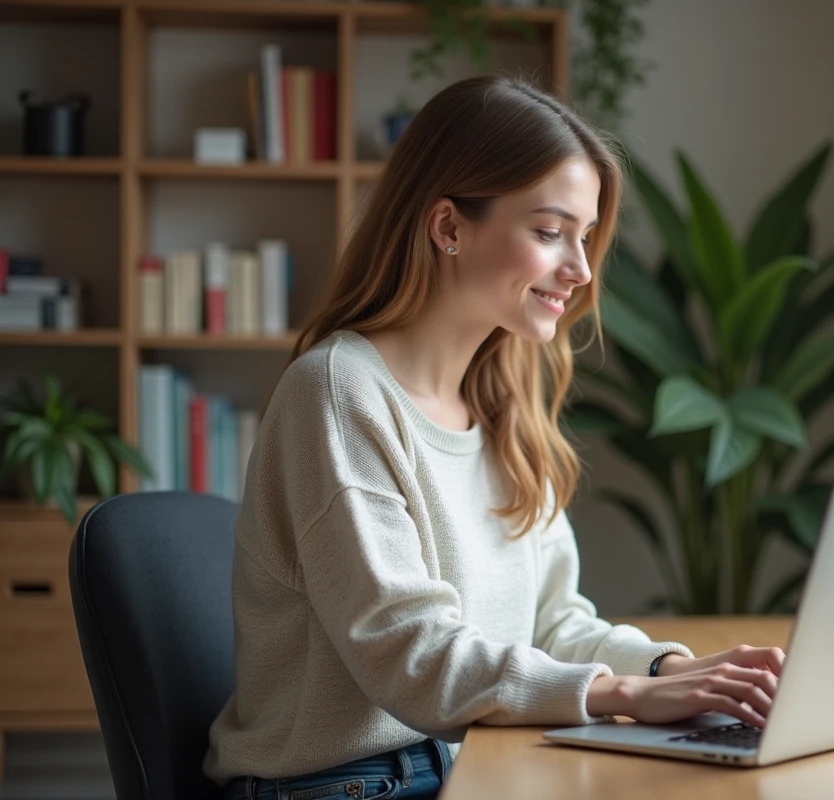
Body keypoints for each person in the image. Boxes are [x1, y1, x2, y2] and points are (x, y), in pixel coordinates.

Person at [204, 75, 785, 800]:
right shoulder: (337, 392)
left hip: (463, 761)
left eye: (585, 237)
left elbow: (552, 623)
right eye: (549, 233)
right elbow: (410, 657)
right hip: (346, 783)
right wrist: (624, 696)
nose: (579, 270)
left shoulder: (504, 406)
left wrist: (675, 672)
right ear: (448, 227)